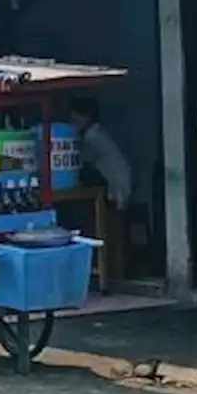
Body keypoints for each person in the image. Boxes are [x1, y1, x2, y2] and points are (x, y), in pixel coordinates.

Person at [69, 97, 133, 279]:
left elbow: (80, 161)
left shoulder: (93, 137)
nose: (74, 125)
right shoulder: (97, 134)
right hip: (117, 182)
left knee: (113, 229)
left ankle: (116, 272)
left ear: (87, 118)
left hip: (116, 184)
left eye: (75, 120)